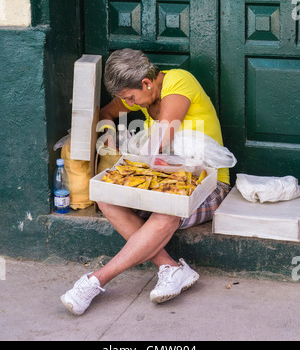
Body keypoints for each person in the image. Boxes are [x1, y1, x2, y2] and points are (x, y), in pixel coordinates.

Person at [60, 49, 231, 315]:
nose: (130, 103)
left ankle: (96, 280)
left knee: (168, 206)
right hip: (164, 180)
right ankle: (171, 268)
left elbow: (162, 133)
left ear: (147, 83)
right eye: (126, 99)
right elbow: (106, 113)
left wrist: (134, 157)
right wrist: (109, 135)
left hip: (207, 186)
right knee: (106, 197)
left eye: (130, 97)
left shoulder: (178, 81)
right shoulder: (141, 98)